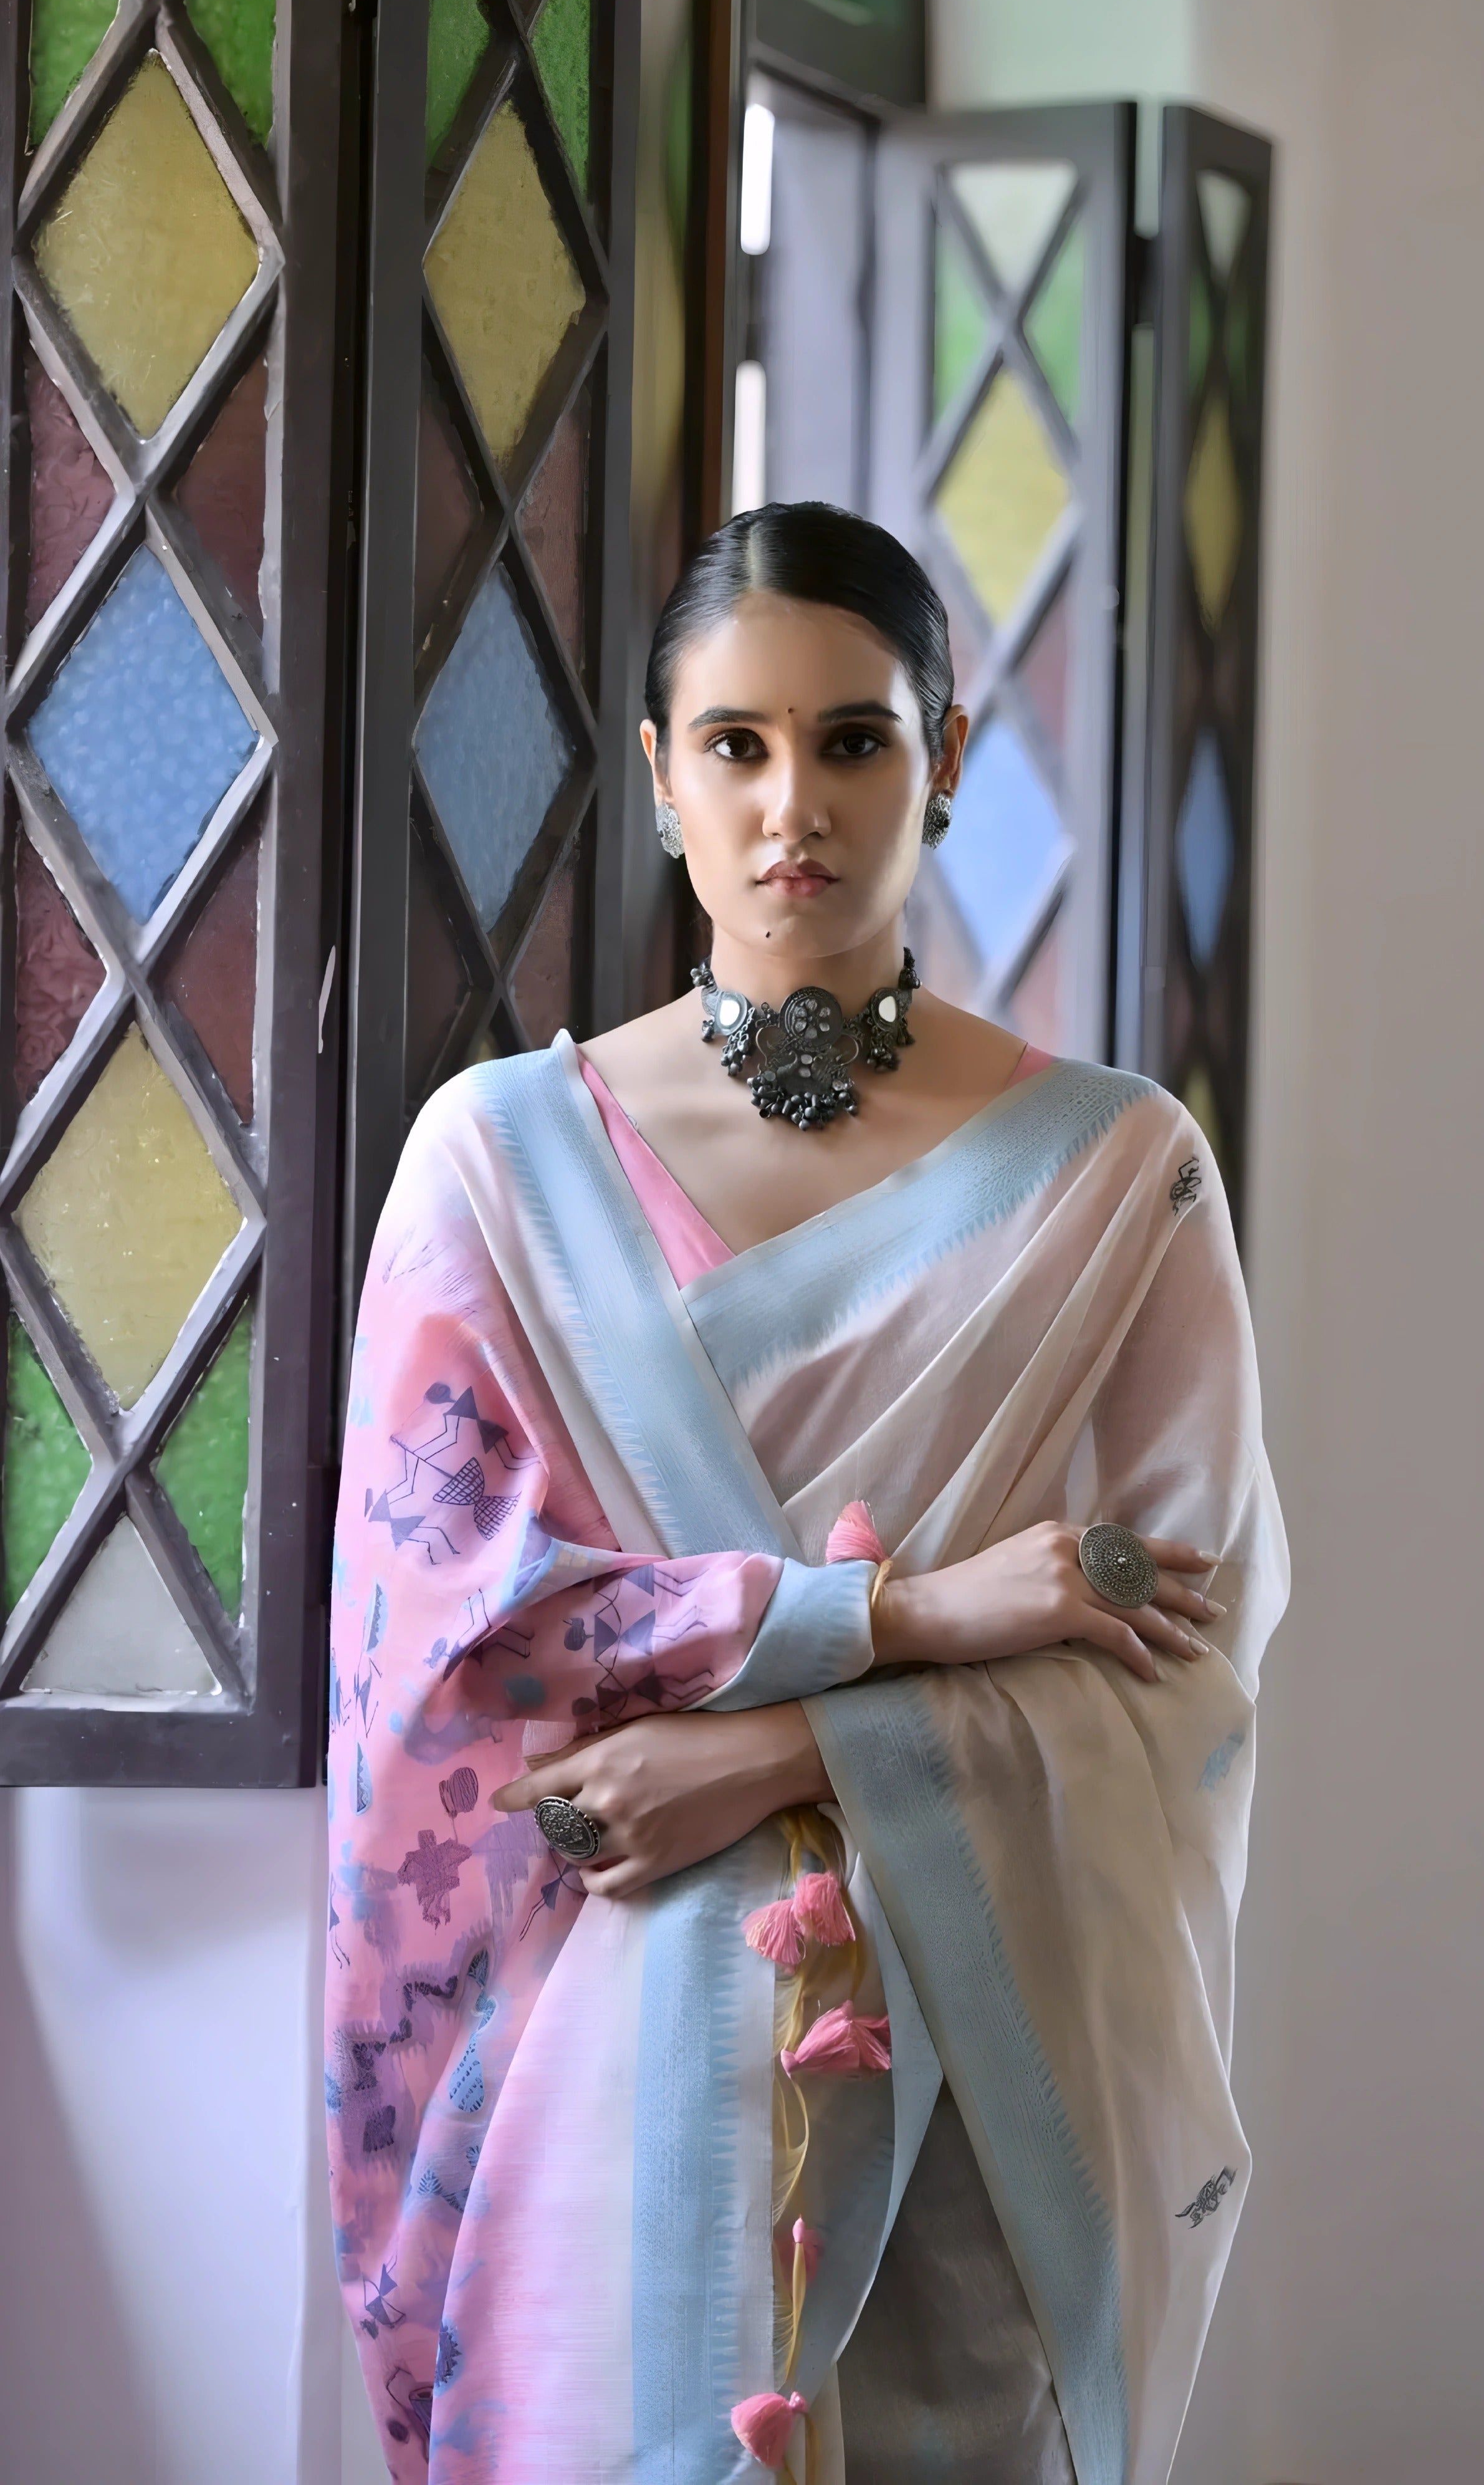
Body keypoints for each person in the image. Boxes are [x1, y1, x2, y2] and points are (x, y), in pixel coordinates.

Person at [325, 502, 1288, 2484]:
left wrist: (776, 1753)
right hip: (611, 2078)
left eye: (853, 739)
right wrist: (898, 1617)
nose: (794, 808)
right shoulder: (495, 1168)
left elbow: (1175, 1659)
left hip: (979, 2082)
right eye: (735, 745)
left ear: (945, 756)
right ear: (659, 775)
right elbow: (453, 1652)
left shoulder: (1119, 1175)